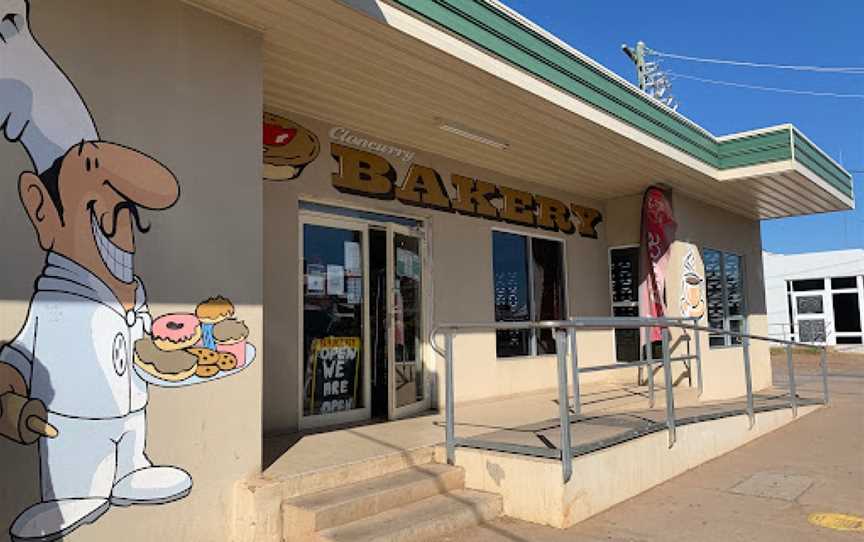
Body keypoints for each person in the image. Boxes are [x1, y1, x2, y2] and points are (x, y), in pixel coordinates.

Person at [0, 2, 190, 539]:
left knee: (132, 456)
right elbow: (18, 355)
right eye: (98, 214)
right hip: (72, 436)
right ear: (42, 210)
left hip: (131, 427)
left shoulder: (133, 291)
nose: (119, 232)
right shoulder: (57, 303)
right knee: (76, 490)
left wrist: (179, 347)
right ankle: (76, 497)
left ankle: (133, 469)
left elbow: (149, 348)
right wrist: (9, 402)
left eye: (128, 220)